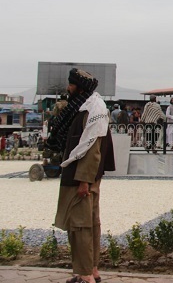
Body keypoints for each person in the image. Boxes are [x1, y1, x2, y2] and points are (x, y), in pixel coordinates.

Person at [48, 68, 115, 283]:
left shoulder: (92, 112)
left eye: (71, 84)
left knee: (81, 226)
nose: (68, 88)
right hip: (84, 177)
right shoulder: (87, 107)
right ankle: (91, 270)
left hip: (82, 178)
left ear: (80, 87)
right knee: (88, 224)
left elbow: (93, 149)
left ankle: (86, 275)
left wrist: (84, 181)